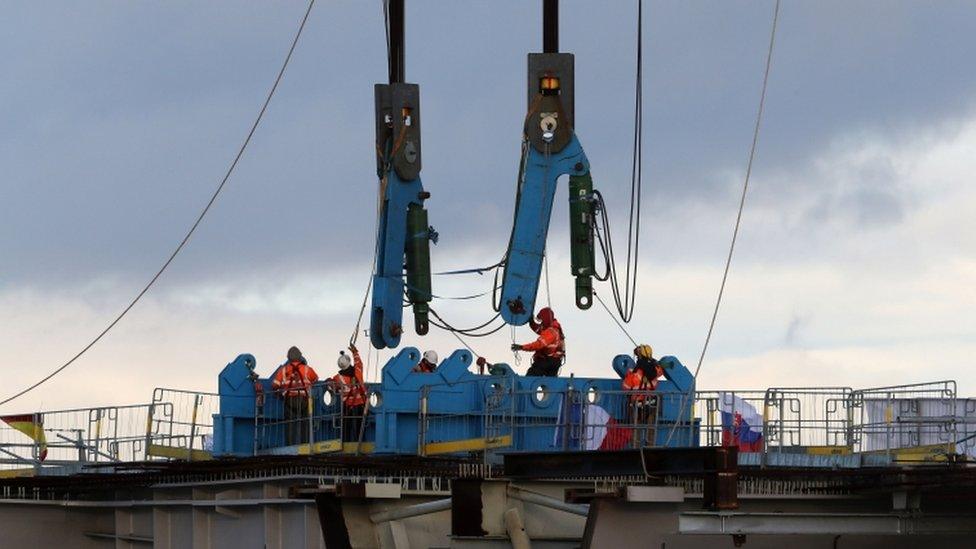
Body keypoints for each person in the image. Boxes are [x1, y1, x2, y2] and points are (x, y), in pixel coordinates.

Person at [271, 346, 319, 446]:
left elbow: (274, 385)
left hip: (290, 400)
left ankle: (290, 446)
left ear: (288, 357)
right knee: (305, 424)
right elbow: (315, 379)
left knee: (290, 425)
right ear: (300, 357)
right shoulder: (307, 369)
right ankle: (305, 445)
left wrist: (279, 393)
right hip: (305, 400)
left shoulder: (283, 370)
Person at [621, 344, 665, 447]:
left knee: (636, 429)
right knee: (651, 428)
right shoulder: (655, 371)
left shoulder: (634, 373)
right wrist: (653, 361)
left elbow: (626, 387)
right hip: (651, 404)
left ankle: (636, 449)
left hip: (637, 404)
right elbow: (660, 370)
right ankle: (650, 447)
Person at [511, 307, 565, 377]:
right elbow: (539, 329)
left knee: (530, 379)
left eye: (542, 320)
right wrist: (531, 322)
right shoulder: (554, 328)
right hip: (555, 361)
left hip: (547, 361)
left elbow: (538, 345)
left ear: (545, 318)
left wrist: (522, 347)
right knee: (550, 383)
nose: (541, 322)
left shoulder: (551, 331)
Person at [331, 344, 366, 443]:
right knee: (359, 426)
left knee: (346, 427)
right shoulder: (357, 372)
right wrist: (355, 352)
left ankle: (345, 443)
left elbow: (332, 386)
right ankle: (360, 443)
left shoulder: (338, 377)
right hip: (360, 404)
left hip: (347, 406)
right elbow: (359, 363)